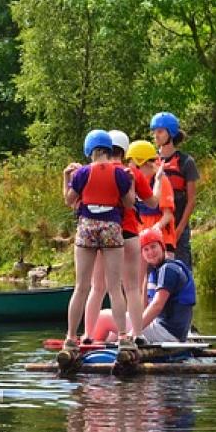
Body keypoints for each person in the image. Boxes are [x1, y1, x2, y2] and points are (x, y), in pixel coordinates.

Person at [81, 130, 161, 343]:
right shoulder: (130, 173)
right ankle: (137, 334)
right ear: (124, 150)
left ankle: (88, 334)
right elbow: (153, 203)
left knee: (97, 287)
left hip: (101, 236)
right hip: (129, 234)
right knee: (132, 287)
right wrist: (158, 180)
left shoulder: (93, 171)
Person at [61, 130, 136, 355]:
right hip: (111, 227)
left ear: (90, 150)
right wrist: (130, 183)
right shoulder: (120, 174)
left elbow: (69, 200)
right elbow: (130, 203)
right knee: (114, 287)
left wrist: (66, 177)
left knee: (82, 287)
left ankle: (71, 338)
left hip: (87, 227)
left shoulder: (82, 173)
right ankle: (123, 336)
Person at [91, 229, 196, 343]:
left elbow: (157, 305)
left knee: (103, 318)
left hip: (166, 331)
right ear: (142, 254)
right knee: (113, 333)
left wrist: (134, 333)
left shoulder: (168, 270)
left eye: (153, 246)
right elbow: (145, 309)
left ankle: (91, 351)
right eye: (146, 249)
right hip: (165, 329)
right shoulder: (156, 271)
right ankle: (104, 347)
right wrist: (145, 281)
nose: (150, 252)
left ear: (162, 247)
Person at [151, 112, 200, 269]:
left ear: (170, 133)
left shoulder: (186, 162)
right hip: (156, 226)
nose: (155, 135)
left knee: (181, 272)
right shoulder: (151, 161)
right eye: (154, 131)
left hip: (178, 226)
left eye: (160, 131)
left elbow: (191, 200)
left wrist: (179, 230)